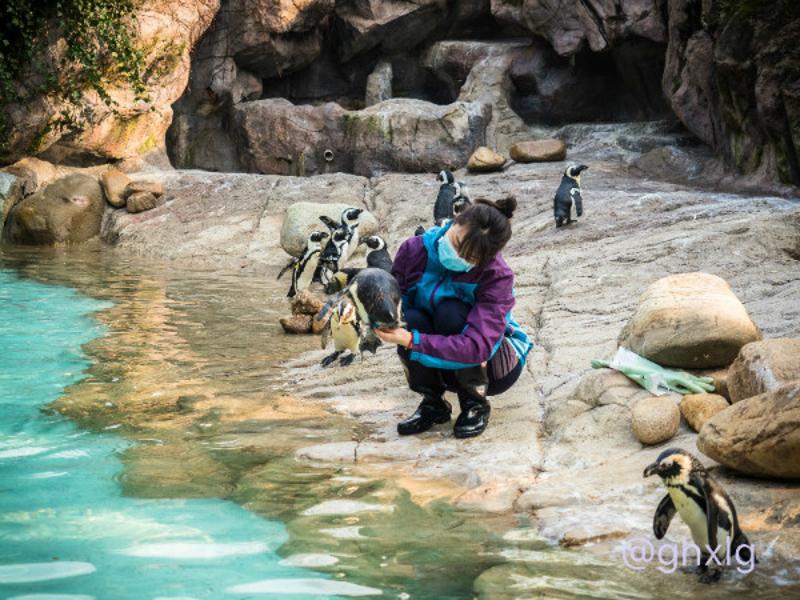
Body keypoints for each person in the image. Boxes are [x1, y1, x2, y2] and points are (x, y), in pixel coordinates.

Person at [375, 196, 532, 439]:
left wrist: (411, 341)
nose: (457, 255)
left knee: (451, 312)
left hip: (489, 366)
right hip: (443, 357)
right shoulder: (414, 250)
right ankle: (433, 402)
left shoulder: (496, 276)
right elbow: (395, 299)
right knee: (410, 316)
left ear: (487, 258)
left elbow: (477, 346)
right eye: (457, 243)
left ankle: (475, 403)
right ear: (455, 220)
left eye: (470, 258)